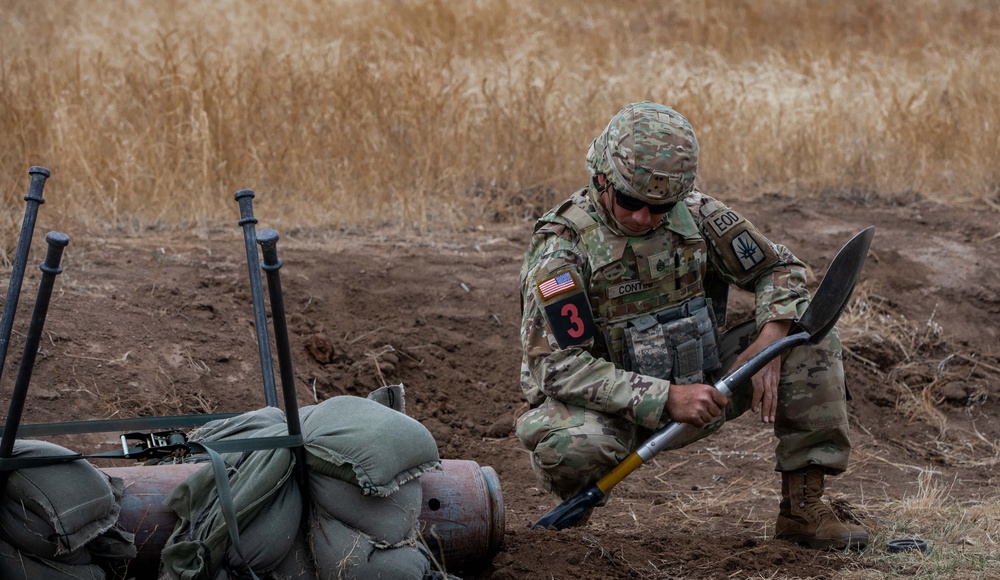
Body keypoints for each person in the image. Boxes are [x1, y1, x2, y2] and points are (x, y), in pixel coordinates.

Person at [515, 101, 868, 549]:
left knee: (808, 341)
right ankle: (565, 545)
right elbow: (558, 367)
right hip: (613, 408)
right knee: (573, 448)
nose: (644, 217)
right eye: (630, 202)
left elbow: (779, 268)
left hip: (704, 383)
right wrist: (664, 398)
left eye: (660, 206)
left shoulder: (697, 215)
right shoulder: (562, 252)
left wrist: (769, 340)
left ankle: (803, 511)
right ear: (602, 178)